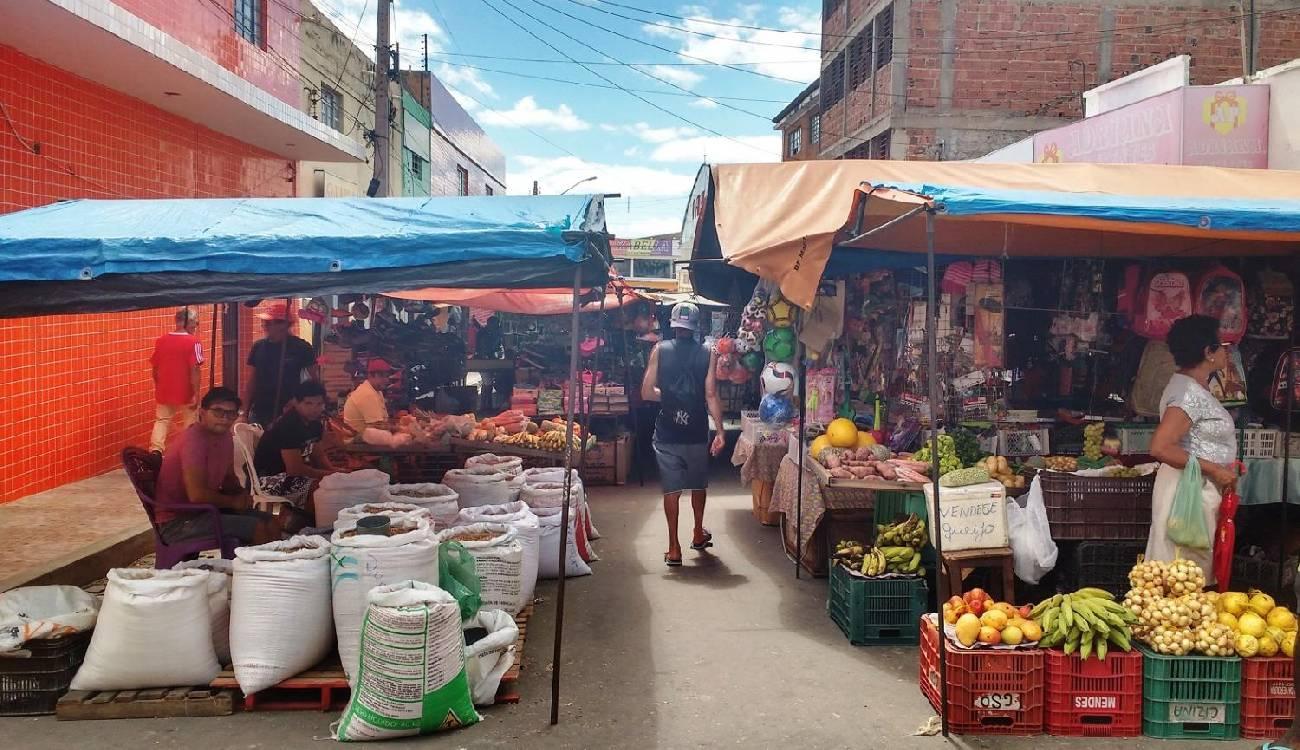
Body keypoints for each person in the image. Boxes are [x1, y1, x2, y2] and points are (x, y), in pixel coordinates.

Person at [1146, 314, 1239, 580]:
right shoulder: (1189, 394)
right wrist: (1215, 469)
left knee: (1188, 570)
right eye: (1222, 345)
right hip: (1187, 493)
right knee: (1181, 572)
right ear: (1208, 352)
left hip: (1194, 489)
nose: (1226, 351)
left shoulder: (1191, 387)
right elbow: (1161, 447)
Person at [640, 302, 725, 567]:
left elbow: (646, 392)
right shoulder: (708, 353)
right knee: (698, 484)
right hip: (696, 430)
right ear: (696, 326)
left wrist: (669, 396)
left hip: (667, 430)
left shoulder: (659, 350)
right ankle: (698, 533)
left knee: (672, 489)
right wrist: (720, 431)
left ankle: (674, 548)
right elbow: (710, 394)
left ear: (673, 324)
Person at [154, 387, 280, 545]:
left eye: (231, 413)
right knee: (257, 527)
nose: (224, 418)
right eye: (218, 412)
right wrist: (233, 502)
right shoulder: (194, 440)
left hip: (205, 511)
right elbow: (197, 495)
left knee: (271, 521)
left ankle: (277, 560)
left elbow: (228, 479)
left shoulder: (225, 437)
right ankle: (258, 561)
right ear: (202, 412)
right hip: (177, 521)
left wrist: (241, 494)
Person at [254, 380, 340, 515]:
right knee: (320, 489)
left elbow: (319, 456)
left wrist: (336, 472)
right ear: (296, 403)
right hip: (269, 478)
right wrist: (330, 475)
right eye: (308, 403)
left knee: (336, 483)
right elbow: (295, 469)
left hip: (293, 475)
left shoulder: (315, 424)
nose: (314, 409)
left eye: (319, 404)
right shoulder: (289, 425)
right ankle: (311, 524)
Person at [242, 303, 318, 427]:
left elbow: (313, 381)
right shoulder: (258, 347)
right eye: (264, 322)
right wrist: (243, 413)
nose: (264, 326)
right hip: (260, 411)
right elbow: (252, 382)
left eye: (269, 323)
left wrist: (298, 400)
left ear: (285, 324)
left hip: (289, 411)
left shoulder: (302, 348)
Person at [149, 307, 204, 452]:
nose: (196, 326)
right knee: (190, 423)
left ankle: (156, 451)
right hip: (186, 390)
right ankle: (187, 451)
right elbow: (195, 369)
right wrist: (197, 393)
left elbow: (155, 368)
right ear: (188, 322)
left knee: (162, 421)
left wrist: (158, 386)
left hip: (164, 389)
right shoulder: (194, 342)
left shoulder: (161, 341)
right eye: (195, 322)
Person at [343, 358, 393, 433]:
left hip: (366, 436)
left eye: (387, 376)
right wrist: (400, 428)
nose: (386, 380)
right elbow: (377, 426)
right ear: (370, 376)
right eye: (381, 376)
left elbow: (383, 422)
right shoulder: (368, 394)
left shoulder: (376, 391)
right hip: (358, 439)